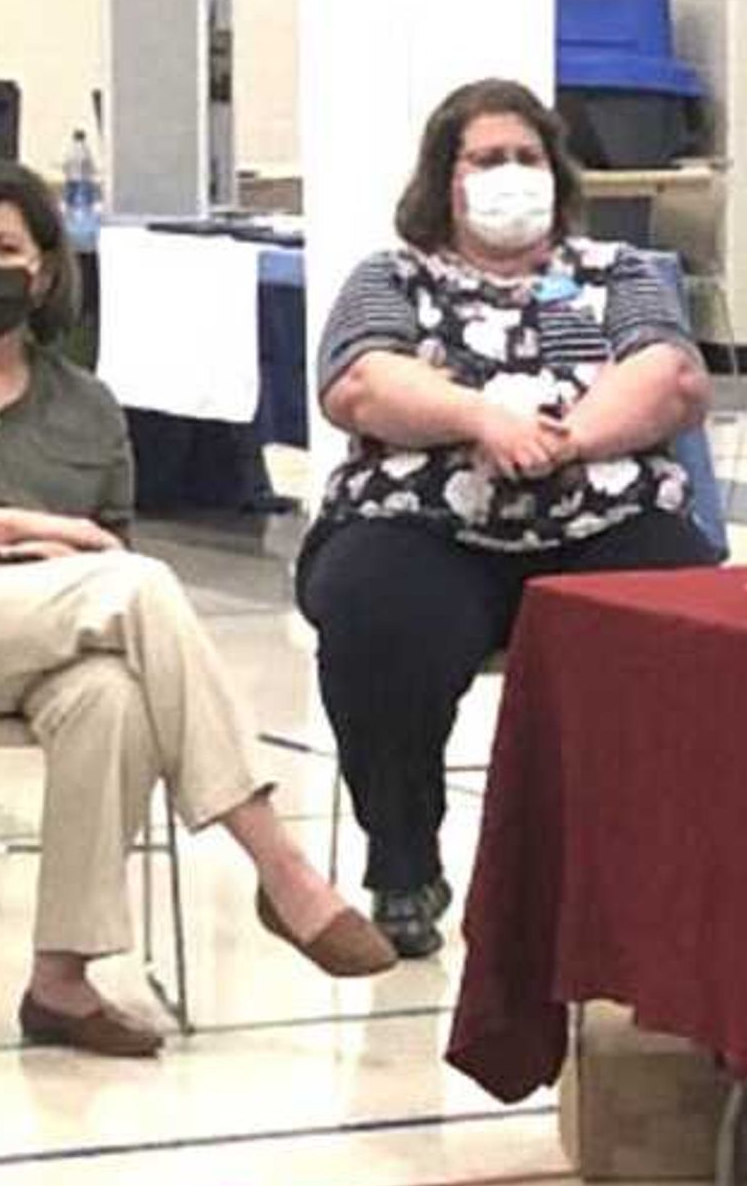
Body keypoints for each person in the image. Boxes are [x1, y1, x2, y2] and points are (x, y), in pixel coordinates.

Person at [0, 163, 392, 1059]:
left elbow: (102, 549)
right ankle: (281, 864)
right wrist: (17, 528)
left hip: (38, 631)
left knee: (112, 695)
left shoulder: (86, 405)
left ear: (43, 271)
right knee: (142, 587)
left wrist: (68, 555)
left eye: (6, 248)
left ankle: (60, 981)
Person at [300, 79, 723, 957]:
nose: (510, 174)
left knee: (682, 614)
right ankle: (405, 858)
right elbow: (360, 381)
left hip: (599, 519)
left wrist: (562, 441)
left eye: (527, 158)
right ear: (442, 180)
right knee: (376, 616)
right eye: (486, 159)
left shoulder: (619, 275)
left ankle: (622, 869)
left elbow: (672, 378)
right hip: (425, 524)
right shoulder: (392, 276)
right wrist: (482, 420)